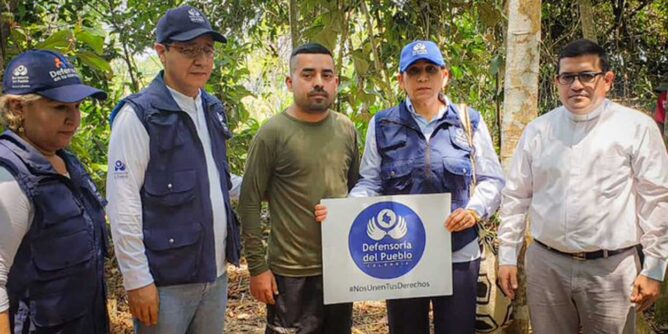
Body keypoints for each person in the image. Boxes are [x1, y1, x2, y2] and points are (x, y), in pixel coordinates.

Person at [315, 40, 505, 334]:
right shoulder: (383, 124)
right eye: (413, 71)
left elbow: (492, 179)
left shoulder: (469, 122)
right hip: (403, 254)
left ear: (445, 75)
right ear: (401, 80)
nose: (423, 77)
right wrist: (346, 213)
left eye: (431, 69)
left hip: (459, 252)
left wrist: (474, 211)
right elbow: (370, 181)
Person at [497, 39, 668, 334]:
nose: (577, 85)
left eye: (587, 75)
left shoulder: (635, 128)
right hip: (547, 265)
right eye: (568, 77)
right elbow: (516, 196)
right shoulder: (539, 130)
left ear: (607, 80)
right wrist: (507, 257)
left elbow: (657, 199)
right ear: (557, 82)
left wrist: (654, 267)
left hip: (611, 269)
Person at [106, 5, 241, 333]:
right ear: (162, 52)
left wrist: (267, 185)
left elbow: (217, 179)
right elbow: (123, 204)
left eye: (207, 50)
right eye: (188, 50)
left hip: (215, 276)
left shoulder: (210, 107)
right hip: (166, 283)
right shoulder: (139, 116)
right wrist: (138, 281)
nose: (201, 60)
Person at [238, 43, 360, 334]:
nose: (318, 81)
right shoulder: (272, 133)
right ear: (291, 82)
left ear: (336, 82)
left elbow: (358, 191)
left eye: (326, 75)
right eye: (308, 74)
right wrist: (257, 268)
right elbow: (250, 200)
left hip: (338, 267)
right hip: (291, 273)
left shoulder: (346, 128)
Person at [0, 50, 109, 333]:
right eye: (60, 108)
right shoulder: (9, 178)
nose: (74, 120)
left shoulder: (67, 162)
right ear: (18, 108)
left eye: (77, 107)